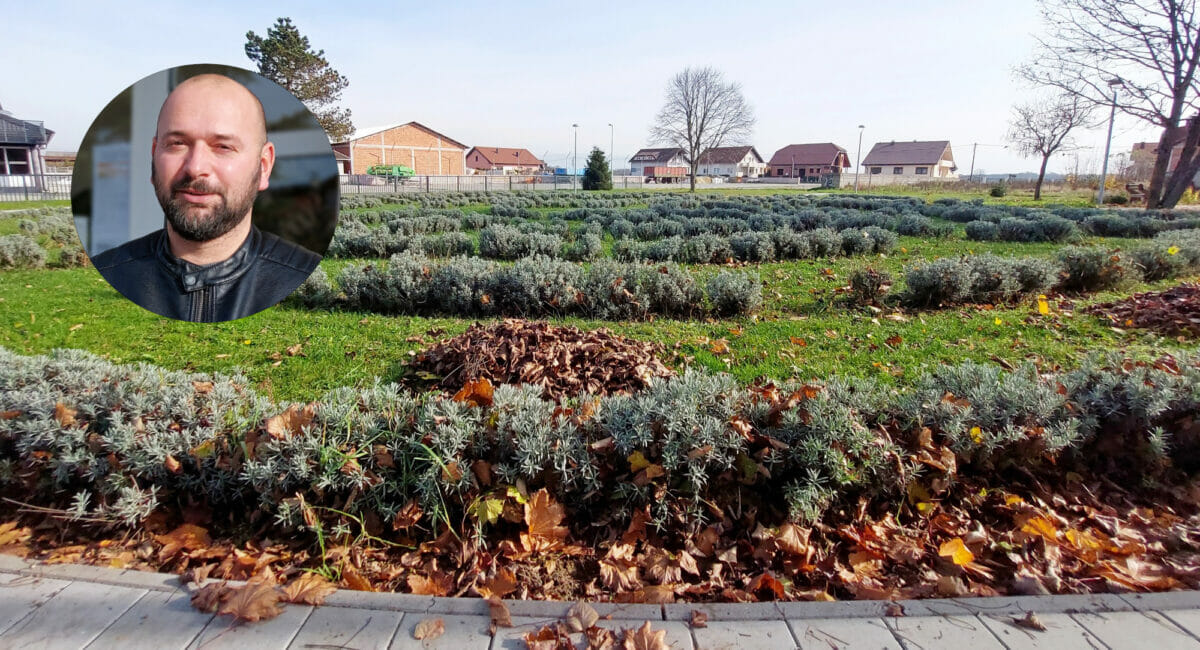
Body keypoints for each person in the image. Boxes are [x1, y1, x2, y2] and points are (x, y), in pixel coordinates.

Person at [92, 73, 320, 323]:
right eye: (177, 143)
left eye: (223, 147)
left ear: (264, 166)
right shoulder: (110, 272)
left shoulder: (299, 276)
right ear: (154, 156)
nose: (195, 167)